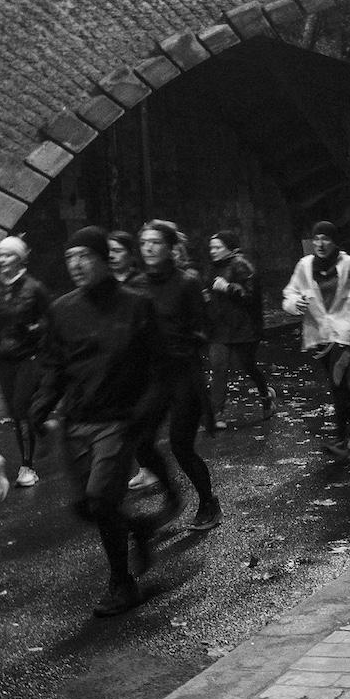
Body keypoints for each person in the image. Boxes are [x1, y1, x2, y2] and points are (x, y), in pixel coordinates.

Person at [34, 227, 166, 617]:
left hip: (118, 420)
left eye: (84, 256)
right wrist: (39, 406)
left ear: (103, 259)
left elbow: (160, 367)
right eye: (69, 257)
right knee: (84, 507)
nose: (75, 265)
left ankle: (122, 583)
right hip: (76, 420)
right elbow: (54, 365)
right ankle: (137, 529)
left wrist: (144, 413)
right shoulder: (61, 310)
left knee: (101, 499)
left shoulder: (137, 306)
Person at [127, 221, 222, 532]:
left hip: (182, 374)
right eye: (144, 242)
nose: (149, 248)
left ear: (170, 248)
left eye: (156, 242)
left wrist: (184, 341)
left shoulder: (187, 282)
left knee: (181, 445)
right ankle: (172, 495)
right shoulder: (137, 284)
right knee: (140, 441)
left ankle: (208, 501)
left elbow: (205, 327)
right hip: (151, 376)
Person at [282, 221, 350, 457]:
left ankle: (343, 436)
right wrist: (295, 304)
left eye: (325, 238)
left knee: (337, 380)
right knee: (337, 384)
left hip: (346, 331)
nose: (320, 243)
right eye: (316, 238)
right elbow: (289, 295)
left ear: (334, 241)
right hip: (319, 333)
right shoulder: (304, 266)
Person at [0, 235, 52, 488]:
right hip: (3, 357)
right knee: (15, 411)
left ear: (19, 259)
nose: (2, 260)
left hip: (29, 355)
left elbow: (49, 319)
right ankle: (43, 430)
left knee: (21, 408)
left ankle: (27, 466)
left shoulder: (34, 288)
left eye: (8, 255)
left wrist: (33, 330)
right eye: (0, 255)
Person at [205, 230, 272, 428]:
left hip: (243, 329)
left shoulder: (241, 265)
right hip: (219, 328)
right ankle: (216, 414)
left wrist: (228, 288)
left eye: (218, 247)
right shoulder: (213, 268)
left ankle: (266, 396)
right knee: (219, 367)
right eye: (211, 247)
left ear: (230, 248)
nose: (213, 251)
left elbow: (250, 296)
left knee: (248, 366)